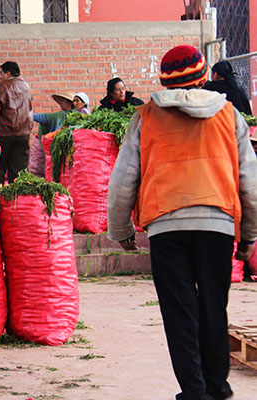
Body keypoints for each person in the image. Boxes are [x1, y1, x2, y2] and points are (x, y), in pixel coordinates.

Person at [107, 45, 257, 400]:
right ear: (204, 77)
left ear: (164, 79)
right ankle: (217, 386)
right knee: (213, 308)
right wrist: (248, 236)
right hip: (217, 224)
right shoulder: (229, 115)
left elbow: (123, 177)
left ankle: (194, 391)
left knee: (179, 312)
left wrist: (121, 231)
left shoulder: (146, 116)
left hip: (166, 225)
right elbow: (249, 180)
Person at [0, 61, 33, 183]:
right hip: (23, 134)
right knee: (19, 173)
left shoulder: (2, 87)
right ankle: (17, 200)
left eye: (0, 73)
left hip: (4, 134)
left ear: (8, 73)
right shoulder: (26, 87)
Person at [28, 93, 75, 176]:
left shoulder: (58, 115)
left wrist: (25, 113)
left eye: (63, 101)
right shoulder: (75, 115)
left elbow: (41, 117)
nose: (61, 104)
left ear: (70, 103)